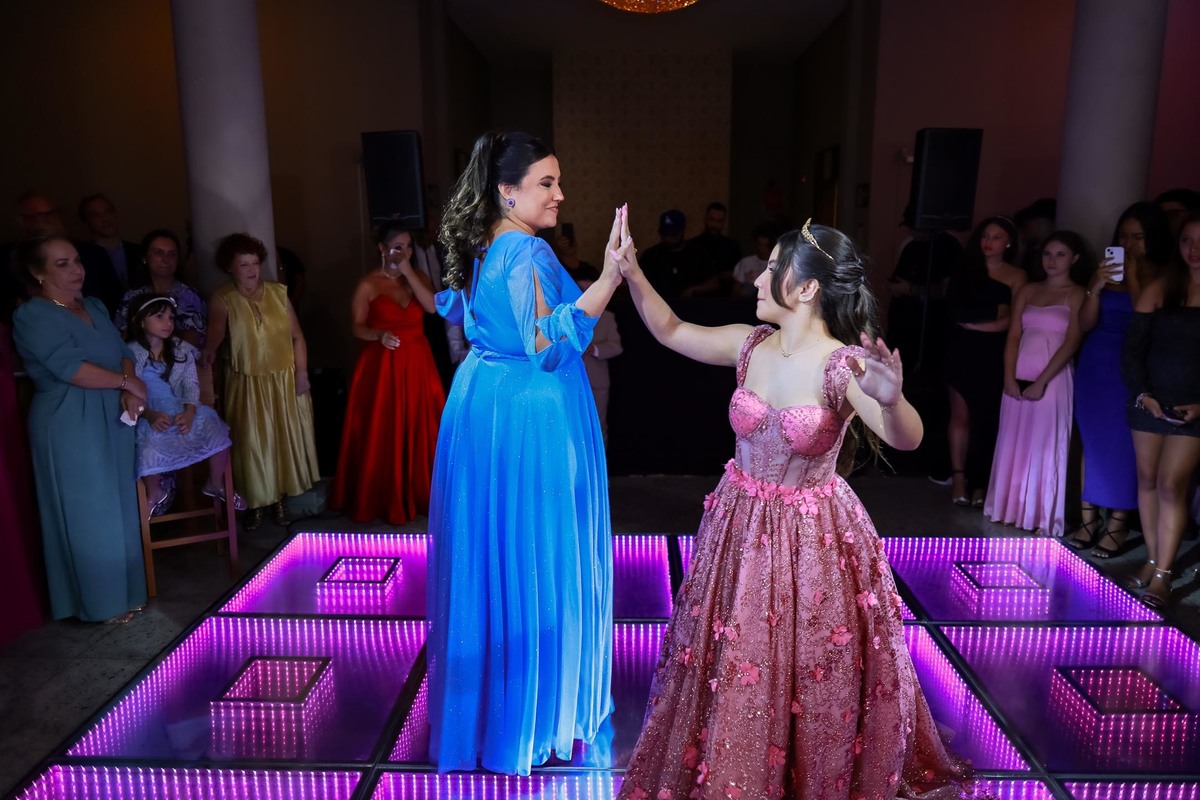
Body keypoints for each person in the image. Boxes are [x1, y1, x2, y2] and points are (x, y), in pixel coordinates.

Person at [614, 219, 975, 799]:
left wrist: (893, 400)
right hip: (739, 523)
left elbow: (903, 437)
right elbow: (671, 328)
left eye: (772, 269)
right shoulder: (750, 344)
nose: (757, 279)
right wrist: (632, 272)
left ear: (806, 288)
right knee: (737, 652)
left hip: (812, 539)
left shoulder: (842, 365)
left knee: (807, 663)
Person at [426, 131, 626, 775]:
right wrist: (610, 277)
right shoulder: (525, 249)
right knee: (538, 550)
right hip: (529, 412)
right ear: (507, 192)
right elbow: (545, 343)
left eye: (557, 181)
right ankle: (534, 719)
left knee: (493, 552)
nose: (560, 194)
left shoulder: (486, 243)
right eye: (547, 183)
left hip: (484, 402)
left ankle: (490, 712)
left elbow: (471, 320)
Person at [11, 235, 148, 624]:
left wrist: (129, 387)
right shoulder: (32, 315)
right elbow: (70, 369)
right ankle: (100, 603)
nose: (76, 269)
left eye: (76, 261)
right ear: (38, 273)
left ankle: (128, 593)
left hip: (113, 414)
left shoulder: (94, 305)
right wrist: (127, 384)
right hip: (69, 418)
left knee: (120, 504)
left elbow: (123, 352)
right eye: (62, 264)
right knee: (89, 510)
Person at [1069, 202, 1172, 554]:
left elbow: (1147, 321)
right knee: (1092, 441)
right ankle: (1088, 519)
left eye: (1137, 237)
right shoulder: (1105, 271)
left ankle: (1118, 522)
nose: (1128, 244)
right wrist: (1095, 287)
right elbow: (1085, 323)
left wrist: (1134, 275)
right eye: (1123, 236)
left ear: (1153, 237)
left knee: (1124, 444)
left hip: (1132, 364)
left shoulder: (1164, 275)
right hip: (1096, 361)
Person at [201, 233, 319, 530]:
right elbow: (215, 333)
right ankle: (254, 503)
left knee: (281, 440)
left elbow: (297, 336)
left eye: (255, 263)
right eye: (244, 264)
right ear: (230, 267)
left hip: (282, 379)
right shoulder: (222, 298)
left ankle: (279, 500)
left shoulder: (279, 292)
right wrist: (208, 353)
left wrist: (302, 374)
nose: (252, 270)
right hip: (246, 382)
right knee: (250, 443)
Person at [330, 222, 445, 525]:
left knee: (423, 424)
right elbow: (356, 327)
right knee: (385, 429)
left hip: (418, 363)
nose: (402, 252)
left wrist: (408, 273)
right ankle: (385, 495)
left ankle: (422, 493)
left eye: (407, 246)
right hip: (383, 366)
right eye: (396, 247)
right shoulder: (367, 284)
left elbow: (432, 308)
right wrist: (378, 334)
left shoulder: (418, 277)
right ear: (381, 249)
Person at [984, 231, 1089, 537]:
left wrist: (1042, 381)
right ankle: (1009, 508)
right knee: (1012, 440)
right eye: (1047, 254)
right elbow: (1013, 336)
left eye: (1060, 254)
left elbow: (1072, 342)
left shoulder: (1077, 294)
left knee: (1046, 443)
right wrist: (1008, 376)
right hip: (1018, 371)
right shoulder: (1028, 289)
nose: (1052, 260)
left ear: (1075, 258)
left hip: (1053, 377)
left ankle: (1041, 515)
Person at [1121, 211, 1200, 609]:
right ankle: (1153, 560)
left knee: (1171, 485)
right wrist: (1142, 393)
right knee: (1148, 479)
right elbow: (1133, 349)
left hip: (1194, 408)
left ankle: (1164, 573)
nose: (1194, 250)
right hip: (1149, 401)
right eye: (1187, 240)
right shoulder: (1161, 287)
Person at [126, 295, 243, 516]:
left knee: (214, 426)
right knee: (146, 441)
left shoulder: (181, 350)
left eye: (171, 318)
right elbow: (129, 392)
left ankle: (215, 483)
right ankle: (154, 492)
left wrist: (189, 412)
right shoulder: (130, 353)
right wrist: (149, 414)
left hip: (181, 409)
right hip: (151, 413)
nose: (167, 322)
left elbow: (190, 385)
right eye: (159, 317)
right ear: (140, 321)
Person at [944, 216, 1027, 507]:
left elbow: (1012, 321)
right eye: (985, 236)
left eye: (996, 237)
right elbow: (955, 313)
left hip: (994, 352)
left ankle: (981, 482)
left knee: (987, 418)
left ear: (1009, 242)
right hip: (961, 349)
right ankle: (958, 479)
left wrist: (979, 321)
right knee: (960, 415)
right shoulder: (965, 270)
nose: (988, 242)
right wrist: (993, 313)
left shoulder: (1017, 276)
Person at [115, 229, 207, 347]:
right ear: (145, 258)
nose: (166, 259)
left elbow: (190, 343)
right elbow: (119, 336)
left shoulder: (189, 297)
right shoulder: (132, 296)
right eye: (158, 252)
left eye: (172, 254)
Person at [574, 265, 623, 444]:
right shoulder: (566, 316)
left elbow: (616, 346)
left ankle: (601, 462)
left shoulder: (608, 317)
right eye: (581, 288)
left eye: (589, 287)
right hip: (572, 379)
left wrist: (594, 349)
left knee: (599, 427)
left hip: (597, 381)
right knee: (574, 426)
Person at [79, 193, 146, 291]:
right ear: (87, 222)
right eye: (96, 215)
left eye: (108, 212)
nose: (105, 219)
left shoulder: (138, 251)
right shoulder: (83, 258)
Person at [731, 223, 778, 297]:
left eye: (766, 245)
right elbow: (736, 290)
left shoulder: (779, 265)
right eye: (760, 244)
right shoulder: (745, 263)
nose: (762, 249)